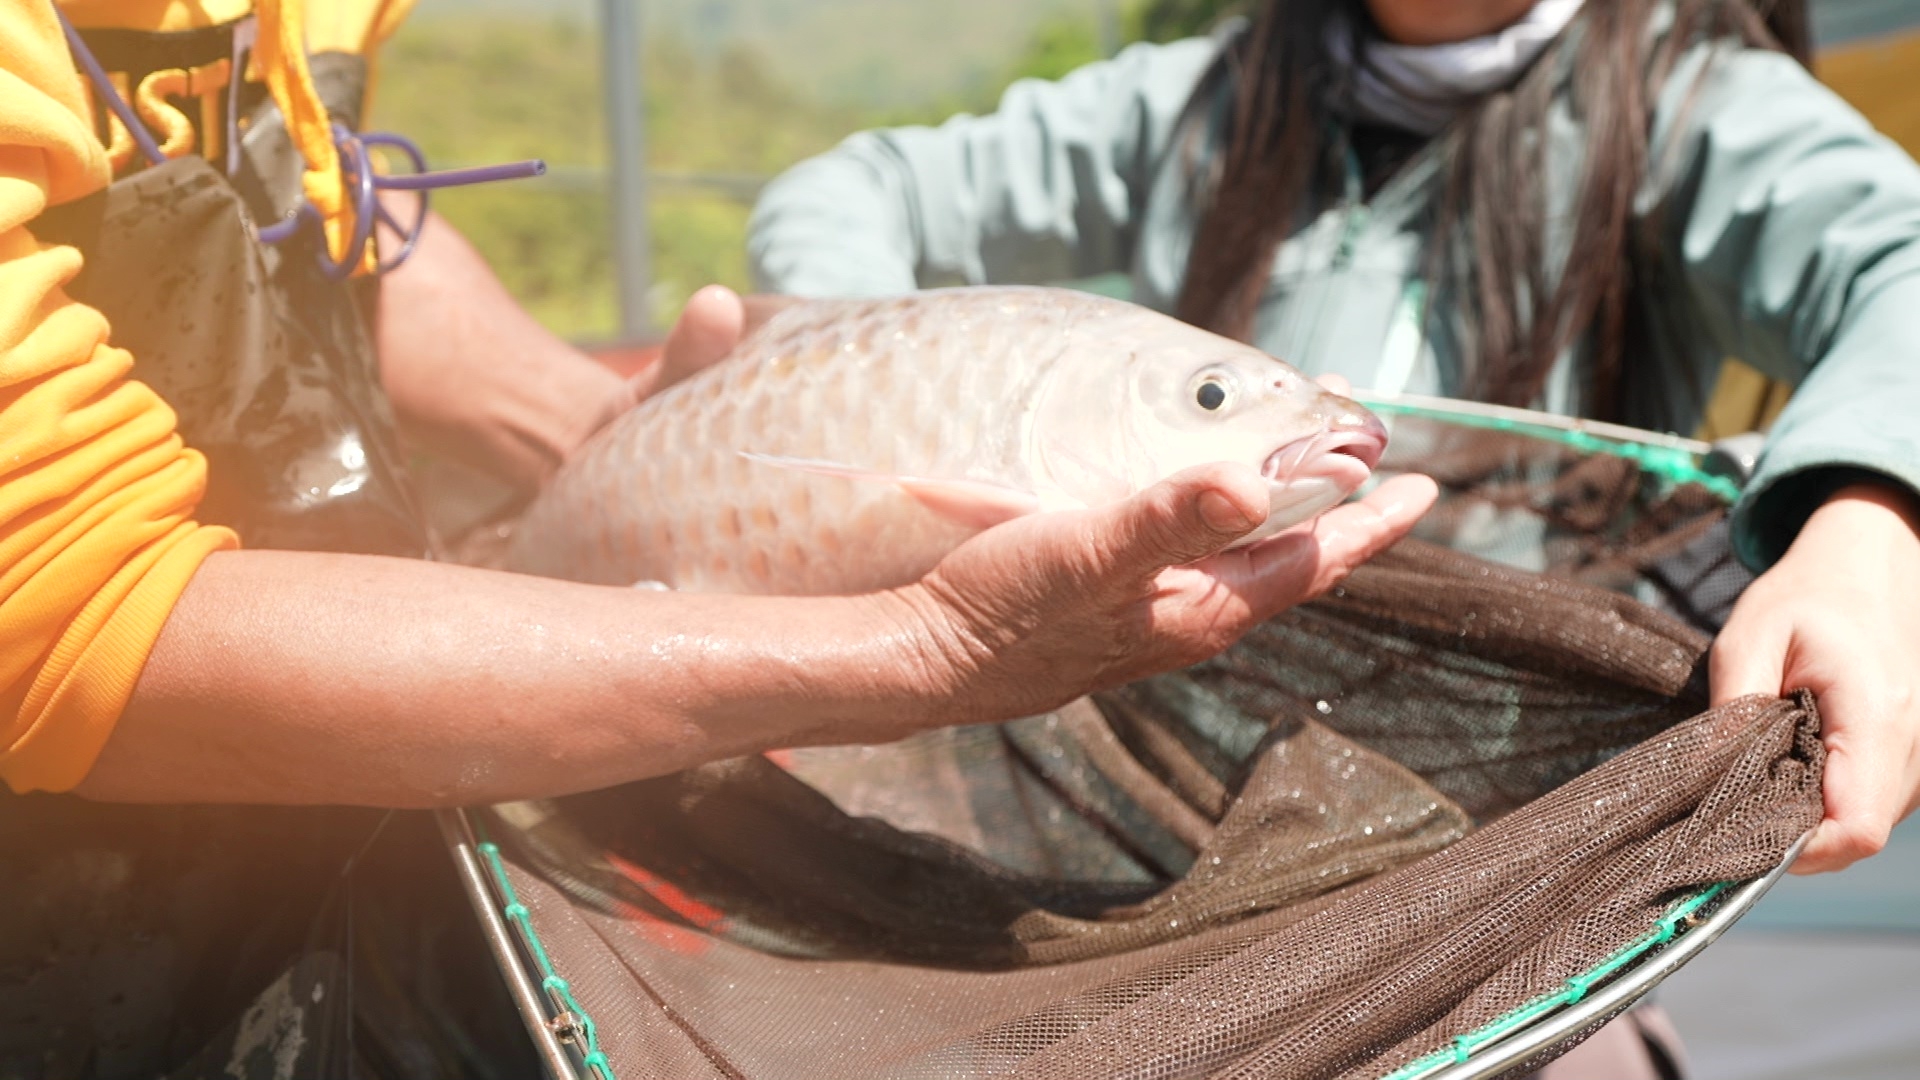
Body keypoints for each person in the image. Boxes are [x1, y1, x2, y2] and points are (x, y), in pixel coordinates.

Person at [0, 0, 1431, 1072]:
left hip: (359, 801)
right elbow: (74, 621)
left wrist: (633, 444)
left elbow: (312, 209)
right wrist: (923, 648)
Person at [747, 0, 1920, 884]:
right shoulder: (1204, 91)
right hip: (1154, 789)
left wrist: (1874, 532)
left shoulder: (1693, 100)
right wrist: (867, 366)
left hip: (1485, 830)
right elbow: (855, 189)